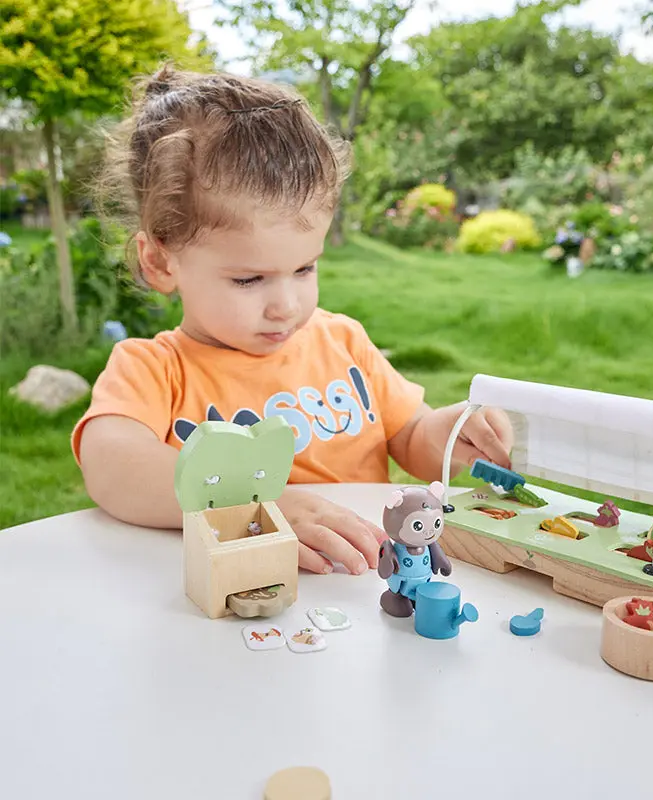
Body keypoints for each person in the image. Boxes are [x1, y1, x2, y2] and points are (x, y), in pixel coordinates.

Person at [73, 65, 512, 577]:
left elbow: (409, 437)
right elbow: (111, 466)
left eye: (305, 268)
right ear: (161, 261)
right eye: (249, 279)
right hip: (236, 593)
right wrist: (255, 506)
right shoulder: (154, 370)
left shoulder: (343, 342)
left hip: (367, 586)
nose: (286, 305)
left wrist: (451, 434)